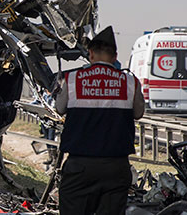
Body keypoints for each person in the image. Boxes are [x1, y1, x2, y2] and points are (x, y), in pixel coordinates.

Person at [56, 26, 145, 215]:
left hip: (80, 167)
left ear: (90, 54)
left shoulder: (72, 79)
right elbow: (138, 113)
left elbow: (59, 108)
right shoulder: (130, 82)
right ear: (115, 56)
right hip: (116, 167)